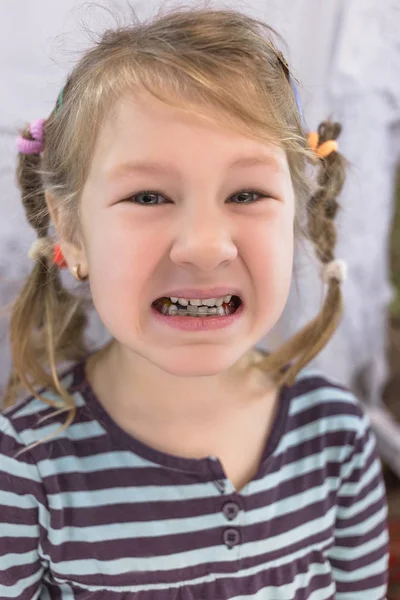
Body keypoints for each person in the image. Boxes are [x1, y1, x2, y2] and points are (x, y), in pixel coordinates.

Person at [0, 5, 389, 599]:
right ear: (71, 233)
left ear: (298, 218)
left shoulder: (337, 437)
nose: (205, 247)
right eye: (149, 195)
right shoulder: (24, 466)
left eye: (248, 192)